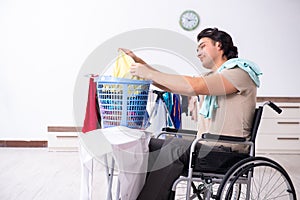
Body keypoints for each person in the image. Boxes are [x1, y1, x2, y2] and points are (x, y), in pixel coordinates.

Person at [120, 27, 262, 200]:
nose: (198, 53)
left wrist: (148, 72)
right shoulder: (212, 76)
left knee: (173, 149)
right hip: (208, 146)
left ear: (219, 45)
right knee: (149, 144)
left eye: (202, 46)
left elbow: (193, 86)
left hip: (227, 152)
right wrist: (140, 63)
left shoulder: (239, 72)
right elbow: (171, 85)